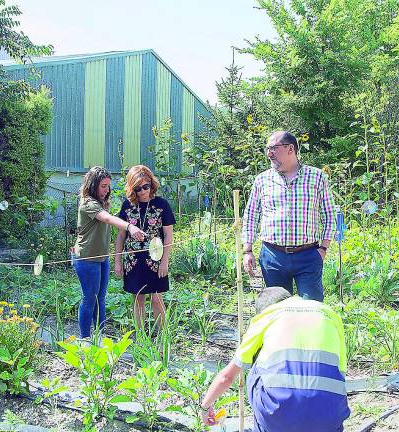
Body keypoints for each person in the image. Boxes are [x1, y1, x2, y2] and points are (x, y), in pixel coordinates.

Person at [198, 286, 350, 432]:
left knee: (253, 362)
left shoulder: (267, 316)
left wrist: (205, 407)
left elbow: (227, 377)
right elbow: (341, 372)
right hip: (329, 418)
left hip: (277, 416)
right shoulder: (330, 314)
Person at [242, 131, 335, 301]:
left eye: (273, 148)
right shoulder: (262, 180)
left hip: (308, 255)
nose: (269, 153)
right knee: (277, 311)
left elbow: (329, 214)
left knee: (312, 309)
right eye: (267, 148)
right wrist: (247, 250)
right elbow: (251, 215)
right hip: (272, 257)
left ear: (290, 148)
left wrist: (323, 248)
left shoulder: (317, 177)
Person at [73, 166, 146, 339]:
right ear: (93, 185)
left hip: (102, 259)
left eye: (108, 186)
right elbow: (107, 218)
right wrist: (129, 227)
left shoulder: (101, 202)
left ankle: (100, 336)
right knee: (89, 299)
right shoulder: (88, 203)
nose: (107, 190)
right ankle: (85, 339)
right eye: (103, 186)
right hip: (87, 259)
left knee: (101, 299)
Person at [115, 165, 175, 330]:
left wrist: (165, 262)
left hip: (156, 260)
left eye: (146, 186)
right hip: (133, 261)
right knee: (137, 298)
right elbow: (120, 235)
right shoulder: (127, 206)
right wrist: (118, 261)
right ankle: (141, 338)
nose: (142, 191)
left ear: (151, 183)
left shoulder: (162, 204)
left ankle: (163, 336)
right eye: (138, 188)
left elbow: (169, 235)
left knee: (156, 298)